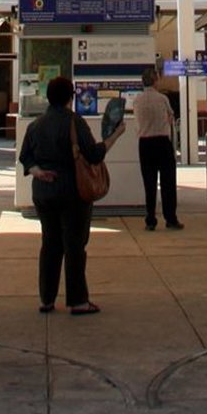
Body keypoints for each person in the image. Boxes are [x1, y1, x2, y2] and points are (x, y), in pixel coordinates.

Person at [19, 74, 124, 316]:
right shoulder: (75, 122)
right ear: (71, 97)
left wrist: (38, 172)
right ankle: (77, 300)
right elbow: (94, 154)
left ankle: (46, 299)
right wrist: (115, 136)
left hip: (44, 191)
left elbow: (25, 157)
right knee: (74, 245)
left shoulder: (36, 124)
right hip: (72, 191)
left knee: (50, 244)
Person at [133, 67, 183, 231]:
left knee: (149, 183)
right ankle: (170, 218)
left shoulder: (137, 100)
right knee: (168, 182)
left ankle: (150, 219)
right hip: (162, 142)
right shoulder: (162, 99)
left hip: (145, 143)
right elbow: (170, 116)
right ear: (155, 80)